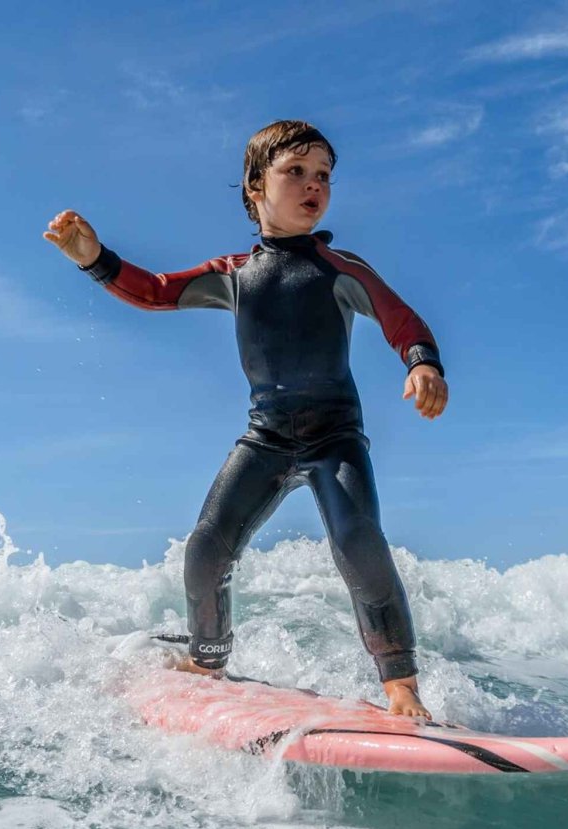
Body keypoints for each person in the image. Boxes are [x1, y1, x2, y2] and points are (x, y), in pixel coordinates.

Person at [43, 120, 448, 718]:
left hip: (334, 437)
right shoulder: (235, 273)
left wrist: (422, 363)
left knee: (359, 542)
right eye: (296, 172)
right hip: (266, 438)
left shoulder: (341, 268)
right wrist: (94, 260)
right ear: (256, 186)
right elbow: (155, 290)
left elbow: (400, 319)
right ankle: (207, 658)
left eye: (323, 175)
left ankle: (401, 683)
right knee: (207, 547)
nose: (314, 184)